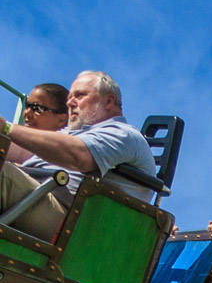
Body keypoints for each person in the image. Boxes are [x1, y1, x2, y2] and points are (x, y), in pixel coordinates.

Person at [1, 71, 156, 240]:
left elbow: (78, 156)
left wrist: (7, 128)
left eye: (80, 95)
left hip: (67, 221)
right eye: (69, 98)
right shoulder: (70, 134)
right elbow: (20, 150)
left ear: (109, 100)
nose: (70, 102)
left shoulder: (123, 134)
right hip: (34, 198)